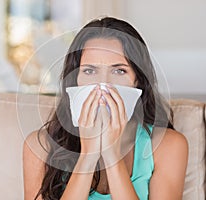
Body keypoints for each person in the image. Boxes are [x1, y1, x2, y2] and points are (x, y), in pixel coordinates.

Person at [23, 17, 188, 200]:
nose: (103, 83)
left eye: (119, 71)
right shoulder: (39, 147)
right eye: (90, 71)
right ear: (75, 80)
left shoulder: (169, 146)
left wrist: (112, 156)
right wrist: (88, 156)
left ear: (138, 81)